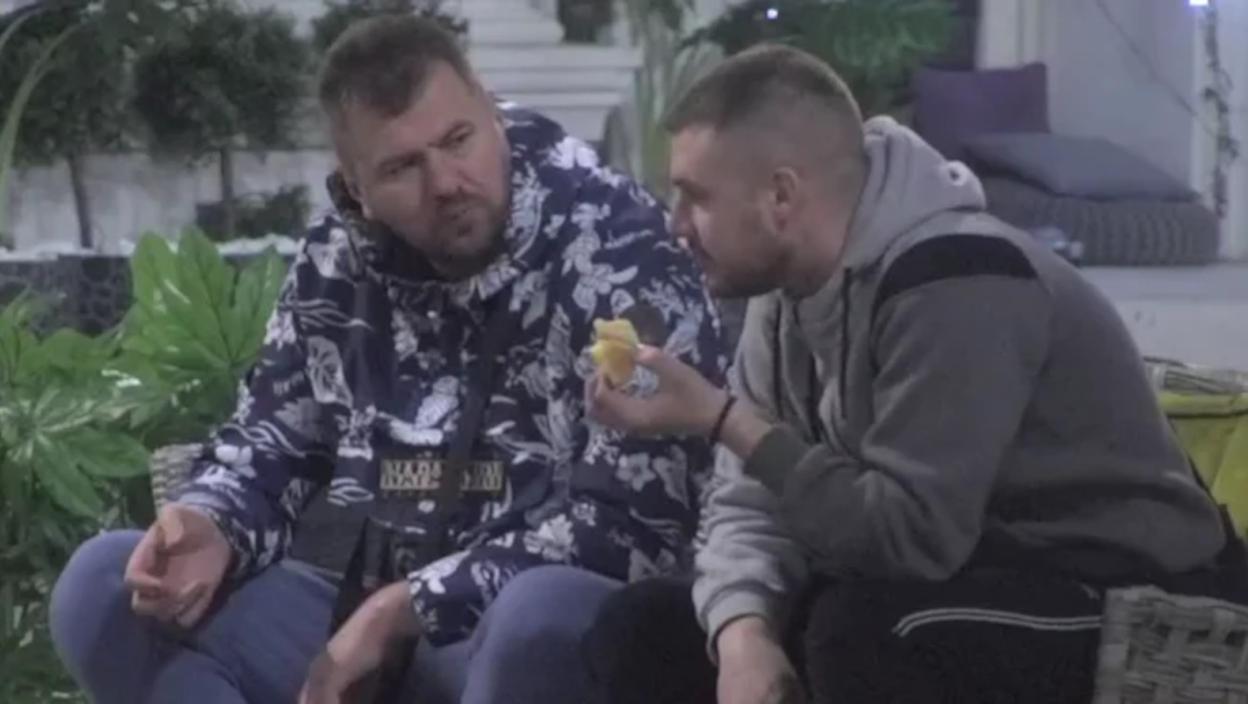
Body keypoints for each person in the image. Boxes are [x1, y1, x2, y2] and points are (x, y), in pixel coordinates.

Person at [49, 15, 726, 704]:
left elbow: (635, 528)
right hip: (361, 617)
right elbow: (274, 437)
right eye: (402, 167)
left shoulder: (617, 249)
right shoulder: (336, 259)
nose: (447, 182)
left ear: (490, 112)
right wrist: (213, 521)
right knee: (102, 586)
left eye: (458, 140)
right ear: (355, 187)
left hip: (514, 634)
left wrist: (408, 606)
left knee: (538, 617)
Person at [583, 44, 1248, 704]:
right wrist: (743, 635)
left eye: (696, 198)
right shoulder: (780, 297)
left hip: (1129, 590)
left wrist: (722, 418)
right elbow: (751, 502)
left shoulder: (958, 276)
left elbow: (910, 541)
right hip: (959, 578)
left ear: (781, 195)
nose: (676, 226)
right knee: (643, 628)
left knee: (865, 630)